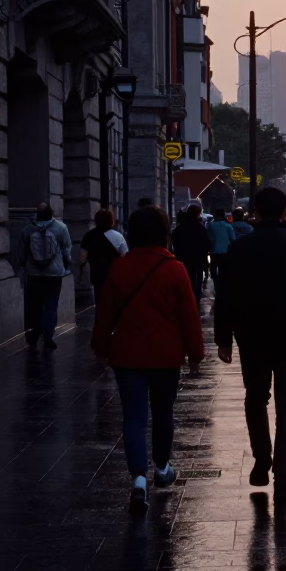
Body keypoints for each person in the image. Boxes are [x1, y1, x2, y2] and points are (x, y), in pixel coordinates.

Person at [215, 187, 286, 502]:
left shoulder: (240, 248)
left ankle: (261, 458)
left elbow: (225, 297)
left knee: (255, 399)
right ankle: (282, 474)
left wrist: (223, 338)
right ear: (284, 211)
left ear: (254, 210)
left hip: (251, 336)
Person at [92, 204, 204, 512]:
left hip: (127, 355)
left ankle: (138, 480)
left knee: (134, 418)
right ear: (165, 234)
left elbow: (105, 314)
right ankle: (163, 468)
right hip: (166, 355)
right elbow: (189, 317)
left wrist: (100, 347)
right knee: (164, 412)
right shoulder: (175, 269)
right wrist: (195, 354)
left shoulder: (120, 268)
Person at [18, 202, 73, 349]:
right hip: (54, 274)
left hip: (34, 274)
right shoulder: (61, 228)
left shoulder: (28, 230)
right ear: (51, 213)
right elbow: (67, 249)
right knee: (50, 306)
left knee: (34, 305)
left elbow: (22, 252)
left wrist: (25, 265)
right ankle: (48, 336)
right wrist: (65, 264)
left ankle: (33, 336)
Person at [78, 209, 129, 304]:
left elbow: (82, 258)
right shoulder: (118, 236)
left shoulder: (89, 235)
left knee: (100, 300)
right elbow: (125, 256)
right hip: (114, 274)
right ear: (112, 221)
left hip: (97, 274)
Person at [171, 201, 210, 303]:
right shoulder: (201, 228)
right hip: (197, 261)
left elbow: (174, 244)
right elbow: (206, 246)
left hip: (182, 260)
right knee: (196, 285)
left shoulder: (179, 229)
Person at [205, 207, 236, 287]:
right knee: (224, 270)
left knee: (214, 270)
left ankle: (216, 285)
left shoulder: (210, 225)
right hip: (225, 252)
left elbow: (208, 238)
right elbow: (233, 238)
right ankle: (223, 286)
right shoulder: (228, 226)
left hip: (213, 251)